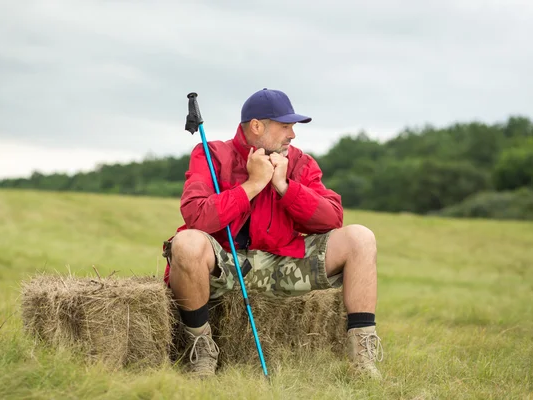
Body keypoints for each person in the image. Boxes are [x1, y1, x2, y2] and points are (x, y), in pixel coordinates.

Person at [162, 88, 383, 379]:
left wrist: (284, 186)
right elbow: (196, 216)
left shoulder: (301, 163)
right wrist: (252, 185)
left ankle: (363, 360)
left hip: (285, 265)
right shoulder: (211, 153)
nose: (293, 135)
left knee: (361, 238)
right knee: (186, 241)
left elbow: (332, 218)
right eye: (286, 126)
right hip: (227, 266)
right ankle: (200, 350)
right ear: (256, 126)